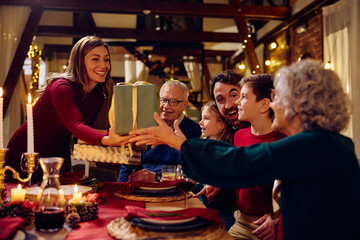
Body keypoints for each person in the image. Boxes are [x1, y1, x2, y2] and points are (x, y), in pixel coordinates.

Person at [129, 60, 360, 240]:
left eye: (277, 97)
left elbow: (240, 162)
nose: (272, 105)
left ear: (298, 105)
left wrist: (176, 141)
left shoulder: (312, 145)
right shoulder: (328, 143)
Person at [5, 36, 131, 183]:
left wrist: (109, 152)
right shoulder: (61, 88)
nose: (103, 65)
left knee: (62, 201)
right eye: (95, 59)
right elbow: (76, 125)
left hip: (58, 153)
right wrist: (108, 140)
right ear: (79, 61)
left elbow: (85, 133)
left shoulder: (99, 94)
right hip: (27, 153)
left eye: (106, 59)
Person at [229, 74, 285, 240]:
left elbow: (297, 190)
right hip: (241, 220)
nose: (237, 102)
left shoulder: (283, 141)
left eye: (244, 96)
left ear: (264, 105)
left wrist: (277, 218)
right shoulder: (239, 136)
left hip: (269, 226)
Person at [117, 80, 201, 182]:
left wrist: (157, 177)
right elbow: (128, 165)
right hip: (140, 189)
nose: (166, 106)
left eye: (173, 102)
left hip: (174, 190)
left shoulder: (196, 132)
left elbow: (192, 173)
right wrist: (123, 189)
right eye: (163, 100)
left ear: (184, 105)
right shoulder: (145, 126)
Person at [194, 101, 236, 230]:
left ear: (222, 125)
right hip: (207, 207)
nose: (201, 123)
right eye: (202, 118)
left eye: (206, 118)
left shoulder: (225, 151)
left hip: (223, 215)